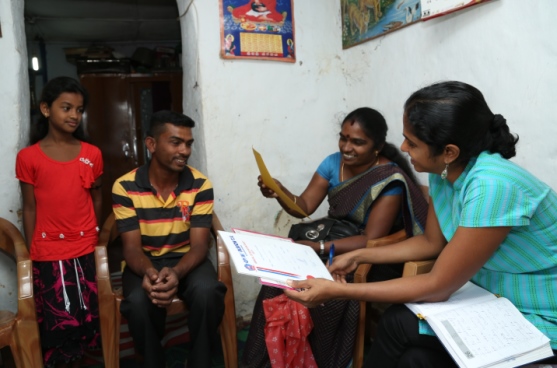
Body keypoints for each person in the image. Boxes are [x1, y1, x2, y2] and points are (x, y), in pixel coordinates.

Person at [284, 81, 557, 367]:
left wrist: (341, 291)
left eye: (412, 143)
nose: (403, 148)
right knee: (415, 358)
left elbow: (438, 286)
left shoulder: (492, 185)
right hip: (495, 298)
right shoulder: (444, 175)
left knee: (399, 323)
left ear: (449, 152)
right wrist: (357, 255)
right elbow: (431, 243)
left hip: (539, 314)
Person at [242, 107, 429, 368]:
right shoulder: (333, 163)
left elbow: (369, 240)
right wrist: (279, 191)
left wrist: (317, 246)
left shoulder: (390, 179)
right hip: (329, 244)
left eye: (357, 142)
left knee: (324, 293)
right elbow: (304, 206)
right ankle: (267, 361)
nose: (346, 147)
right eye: (343, 138)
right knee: (277, 282)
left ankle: (321, 361)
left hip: (369, 259)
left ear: (377, 147)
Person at [111, 110, 226, 368]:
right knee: (139, 302)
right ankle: (154, 360)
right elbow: (131, 249)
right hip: (144, 259)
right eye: (175, 142)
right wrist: (151, 274)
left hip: (186, 258)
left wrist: (175, 272)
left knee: (209, 291)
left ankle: (198, 360)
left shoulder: (200, 185)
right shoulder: (125, 186)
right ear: (151, 144)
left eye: (188, 144)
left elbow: (199, 245)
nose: (184, 151)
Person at [16, 76, 102, 368]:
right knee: (56, 322)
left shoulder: (92, 154)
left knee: (87, 317)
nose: (74, 116)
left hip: (85, 248)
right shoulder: (28, 157)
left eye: (79, 110)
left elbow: (97, 199)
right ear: (45, 109)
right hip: (48, 251)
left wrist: (96, 236)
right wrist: (32, 251)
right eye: (66, 108)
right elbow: (29, 208)